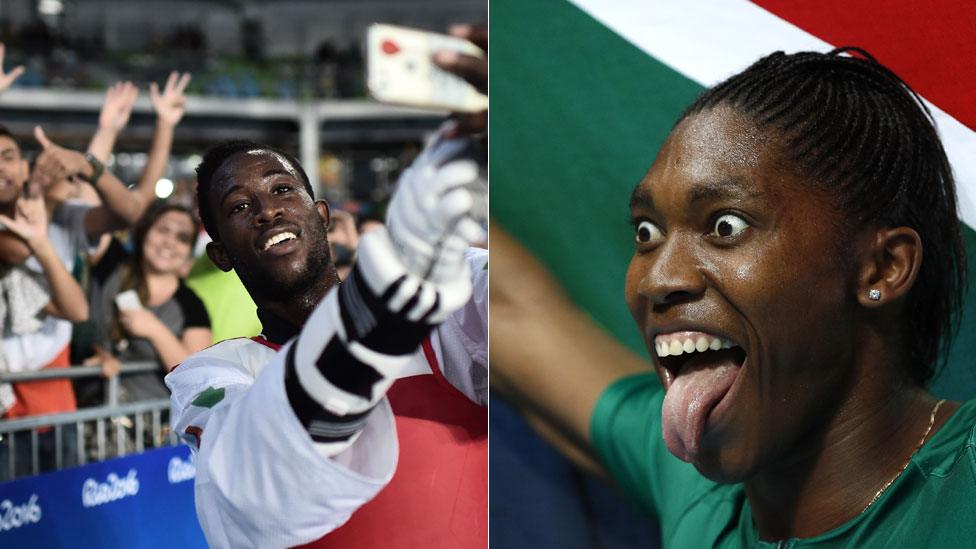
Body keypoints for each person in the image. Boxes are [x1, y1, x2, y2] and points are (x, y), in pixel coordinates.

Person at [492, 48, 976, 546]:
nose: (658, 278)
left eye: (725, 226)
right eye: (646, 232)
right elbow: (506, 310)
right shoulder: (694, 487)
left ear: (883, 267)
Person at [165, 136, 486, 547]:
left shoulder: (440, 319)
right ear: (221, 255)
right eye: (239, 207)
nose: (268, 210)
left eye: (281, 189)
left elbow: (508, 296)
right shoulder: (211, 375)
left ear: (321, 216)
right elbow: (258, 476)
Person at [86, 202, 211, 402]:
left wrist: (154, 330)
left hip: (149, 424)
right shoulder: (111, 263)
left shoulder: (191, 305)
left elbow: (196, 377)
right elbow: (89, 205)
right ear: (144, 231)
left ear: (189, 253)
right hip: (88, 414)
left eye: (182, 238)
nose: (169, 242)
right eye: (163, 230)